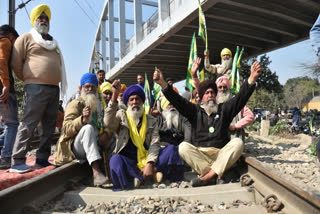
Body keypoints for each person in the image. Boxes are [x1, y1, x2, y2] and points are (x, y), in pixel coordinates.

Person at [153, 57, 262, 187]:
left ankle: (208, 176)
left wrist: (251, 79)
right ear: (202, 97)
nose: (210, 95)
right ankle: (218, 172)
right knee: (183, 147)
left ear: (215, 96)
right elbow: (178, 101)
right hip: (201, 156)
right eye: (207, 93)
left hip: (220, 153)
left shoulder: (224, 109)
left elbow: (240, 98)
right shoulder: (194, 111)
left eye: (212, 92)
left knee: (237, 143)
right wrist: (163, 84)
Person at [9, 4, 67, 173]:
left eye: (46, 18)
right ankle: (17, 160)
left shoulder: (53, 43)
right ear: (34, 20)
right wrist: (30, 78)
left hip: (53, 89)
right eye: (40, 17)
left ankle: (42, 159)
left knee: (49, 126)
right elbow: (16, 63)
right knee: (28, 123)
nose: (43, 20)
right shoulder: (26, 38)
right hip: (34, 88)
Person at [105, 84, 183, 191]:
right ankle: (151, 176)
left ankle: (142, 176)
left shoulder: (151, 120)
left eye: (137, 99)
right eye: (131, 99)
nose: (134, 102)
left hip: (149, 158)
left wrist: (150, 164)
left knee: (171, 150)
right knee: (115, 160)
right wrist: (114, 96)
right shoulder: (121, 116)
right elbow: (108, 123)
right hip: (130, 162)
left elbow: (154, 143)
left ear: (142, 102)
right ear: (128, 102)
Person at [54, 73, 109, 186]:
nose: (90, 89)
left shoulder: (100, 105)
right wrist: (82, 120)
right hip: (76, 148)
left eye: (93, 87)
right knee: (88, 128)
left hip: (96, 143)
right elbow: (67, 129)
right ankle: (96, 172)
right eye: (87, 86)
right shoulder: (75, 104)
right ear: (81, 88)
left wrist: (107, 133)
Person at [0, 25, 19, 169]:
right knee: (12, 124)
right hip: (3, 90)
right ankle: (6, 157)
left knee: (7, 124)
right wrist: (6, 85)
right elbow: (1, 62)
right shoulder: (5, 41)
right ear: (11, 36)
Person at [215, 76, 254, 142]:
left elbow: (250, 116)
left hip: (234, 137)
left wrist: (236, 126)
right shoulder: (213, 102)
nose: (222, 89)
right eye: (220, 87)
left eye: (225, 87)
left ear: (228, 88)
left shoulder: (236, 102)